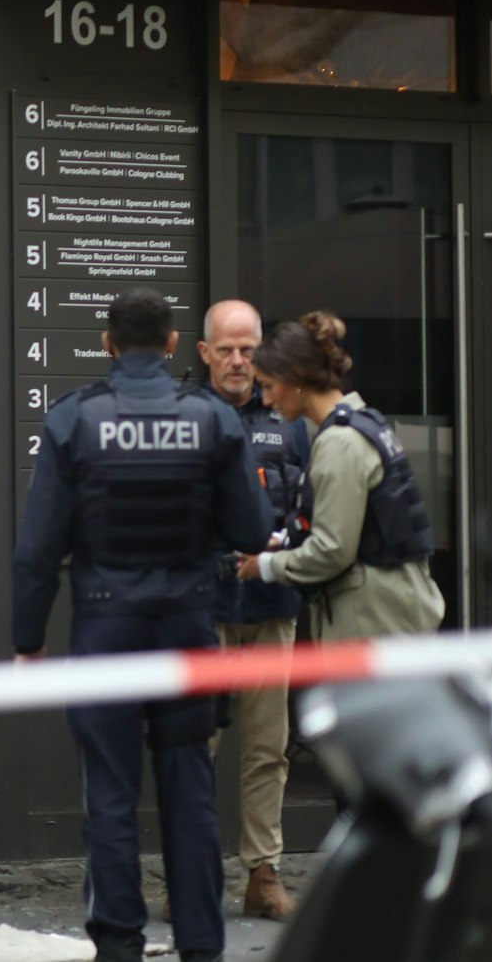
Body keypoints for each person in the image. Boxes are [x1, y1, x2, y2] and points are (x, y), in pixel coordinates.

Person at [14, 287, 270, 962]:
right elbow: (251, 528)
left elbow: (38, 546)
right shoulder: (212, 419)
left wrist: (27, 638)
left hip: (106, 627)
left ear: (106, 342)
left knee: (110, 794)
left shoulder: (75, 419)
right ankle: (201, 944)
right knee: (190, 792)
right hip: (188, 624)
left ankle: (120, 944)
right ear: (175, 342)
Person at [197, 300, 310, 920]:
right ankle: (193, 877)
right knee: (195, 750)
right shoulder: (183, 416)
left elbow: (312, 503)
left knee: (269, 748)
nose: (239, 361)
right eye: (227, 349)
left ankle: (263, 875)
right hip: (201, 606)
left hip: (271, 603)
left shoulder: (289, 417)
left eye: (249, 349)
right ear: (205, 352)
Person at [237, 312, 444, 641]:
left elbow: (332, 550)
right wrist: (285, 541)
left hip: (370, 623)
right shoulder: (363, 424)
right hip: (390, 616)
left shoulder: (339, 443)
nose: (267, 399)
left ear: (296, 378)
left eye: (268, 385)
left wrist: (265, 566)